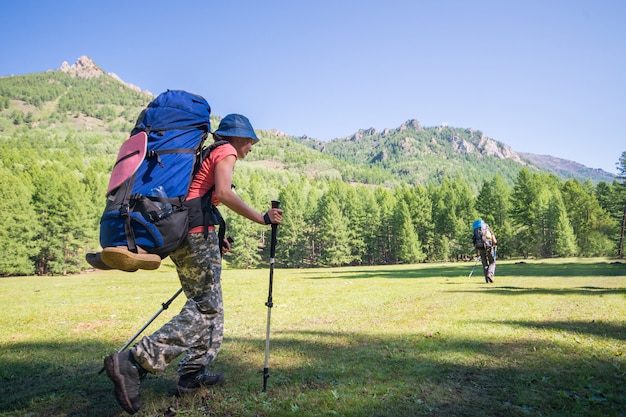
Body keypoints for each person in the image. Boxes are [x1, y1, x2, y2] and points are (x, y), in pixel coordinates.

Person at [103, 114, 283, 415]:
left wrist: (216, 238)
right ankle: (135, 362)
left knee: (212, 308)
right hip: (195, 237)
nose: (251, 146)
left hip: (194, 234)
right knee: (205, 308)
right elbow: (224, 193)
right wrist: (261, 218)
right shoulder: (225, 151)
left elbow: (201, 198)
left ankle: (192, 374)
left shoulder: (206, 154)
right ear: (236, 137)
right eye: (249, 140)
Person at [472, 219, 497, 283]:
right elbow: (494, 240)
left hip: (480, 247)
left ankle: (487, 280)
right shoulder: (487, 228)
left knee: (484, 263)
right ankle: (490, 274)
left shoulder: (476, 230)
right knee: (492, 262)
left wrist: (478, 251)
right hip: (488, 246)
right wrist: (495, 244)